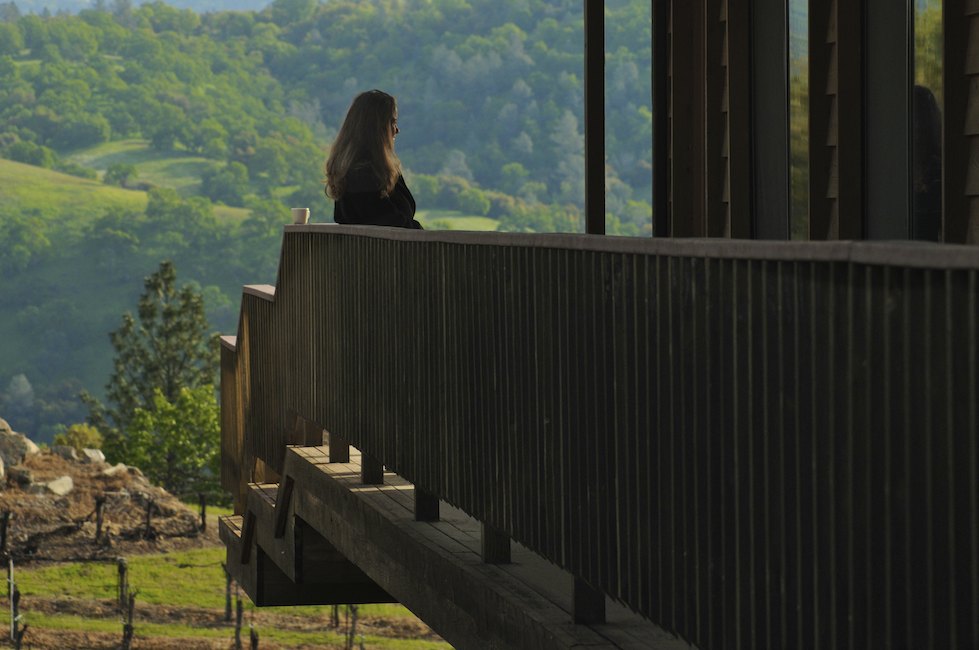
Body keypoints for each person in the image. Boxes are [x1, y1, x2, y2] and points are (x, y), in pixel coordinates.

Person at [324, 89, 421, 229]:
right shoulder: (363, 175)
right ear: (378, 128)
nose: (397, 129)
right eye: (392, 122)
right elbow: (390, 222)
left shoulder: (353, 171)